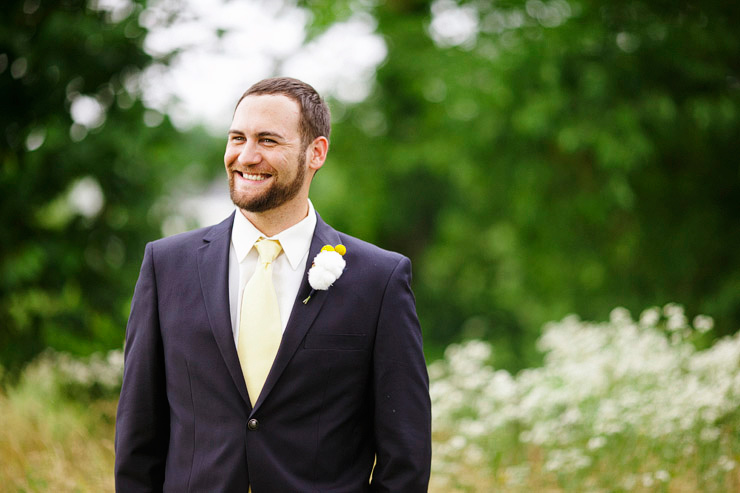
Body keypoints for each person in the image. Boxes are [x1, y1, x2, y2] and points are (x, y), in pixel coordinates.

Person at [114, 77, 431, 492]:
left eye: (267, 140)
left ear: (315, 153)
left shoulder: (379, 279)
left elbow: (405, 457)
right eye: (237, 138)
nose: (246, 156)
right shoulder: (166, 265)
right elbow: (138, 440)